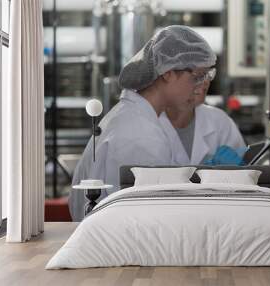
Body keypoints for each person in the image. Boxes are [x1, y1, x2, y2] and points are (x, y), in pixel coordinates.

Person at [69, 25, 217, 221]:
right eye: (196, 77)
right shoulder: (141, 136)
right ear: (168, 72)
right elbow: (151, 219)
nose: (199, 88)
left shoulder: (132, 117)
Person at [159, 74, 246, 165]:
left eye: (208, 73)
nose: (206, 81)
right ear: (168, 76)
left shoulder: (219, 120)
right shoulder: (148, 124)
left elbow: (246, 171)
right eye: (198, 74)